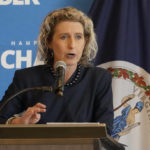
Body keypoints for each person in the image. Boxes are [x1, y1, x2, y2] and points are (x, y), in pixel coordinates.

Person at [0, 7, 114, 135]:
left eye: (78, 37)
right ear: (49, 42)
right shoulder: (26, 78)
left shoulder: (99, 78)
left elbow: (106, 131)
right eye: (64, 37)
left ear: (85, 41)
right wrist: (20, 123)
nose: (72, 45)